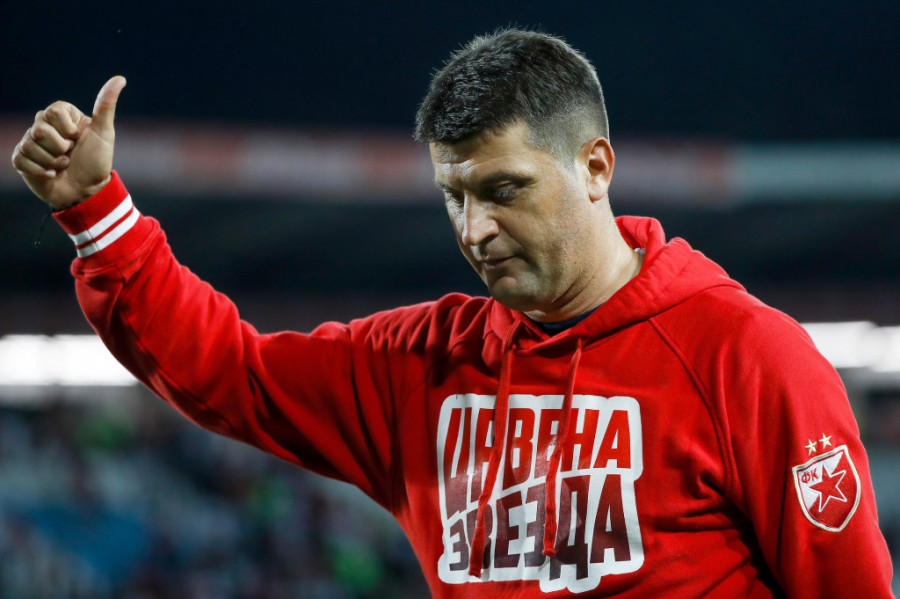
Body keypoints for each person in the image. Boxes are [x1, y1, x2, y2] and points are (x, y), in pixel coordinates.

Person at [11, 29, 895, 597]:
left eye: (504, 190)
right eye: (454, 196)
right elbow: (228, 370)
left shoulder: (749, 356)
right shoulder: (421, 363)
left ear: (595, 167)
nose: (474, 230)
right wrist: (99, 215)